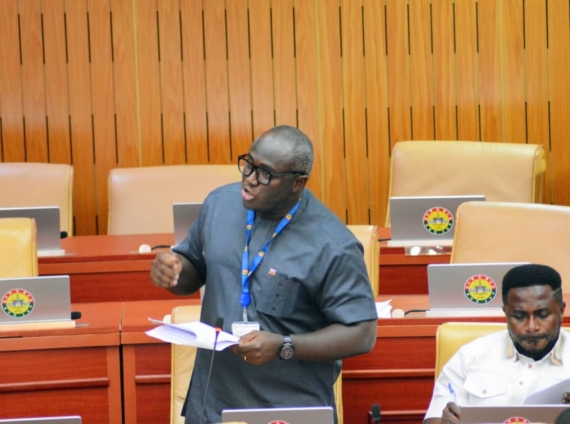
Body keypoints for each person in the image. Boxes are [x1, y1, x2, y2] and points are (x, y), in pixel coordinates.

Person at [150, 125, 378, 423]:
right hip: (213, 403)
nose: (250, 178)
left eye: (266, 173)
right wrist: (175, 272)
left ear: (298, 183)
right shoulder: (218, 204)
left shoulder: (332, 244)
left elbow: (362, 334)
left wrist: (284, 345)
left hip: (290, 408)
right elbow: (193, 268)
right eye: (249, 164)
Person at [424, 263, 570, 424]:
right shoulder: (470, 356)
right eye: (519, 316)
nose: (531, 327)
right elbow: (434, 418)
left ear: (561, 310)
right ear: (505, 313)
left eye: (542, 315)